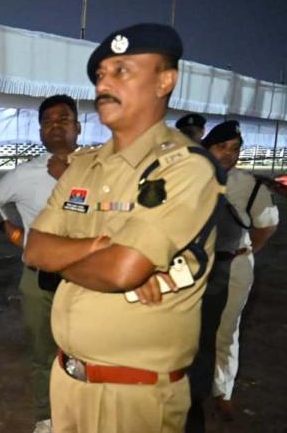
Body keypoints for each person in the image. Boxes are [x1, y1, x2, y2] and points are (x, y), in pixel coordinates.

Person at [24, 23, 225, 432]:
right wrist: (99, 251)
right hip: (68, 381)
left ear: (165, 81)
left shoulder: (185, 167)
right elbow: (35, 248)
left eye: (122, 71)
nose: (104, 84)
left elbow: (121, 270)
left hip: (133, 395)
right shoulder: (83, 165)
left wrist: (73, 259)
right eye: (100, 75)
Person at [0, 94, 81, 433]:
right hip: (38, 279)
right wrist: (12, 233)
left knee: (87, 352)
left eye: (63, 119)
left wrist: (68, 177)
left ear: (78, 127)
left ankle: (82, 415)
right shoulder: (25, 174)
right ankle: (46, 415)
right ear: (40, 131)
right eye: (48, 121)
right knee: (44, 354)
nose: (55, 126)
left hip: (88, 278)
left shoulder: (98, 169)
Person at [206, 121, 278, 421]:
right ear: (207, 148)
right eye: (221, 147)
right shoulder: (190, 179)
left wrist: (244, 252)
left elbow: (267, 225)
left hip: (234, 265)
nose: (228, 154)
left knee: (227, 329)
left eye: (234, 149)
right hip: (198, 266)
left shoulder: (248, 185)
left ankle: (222, 391)